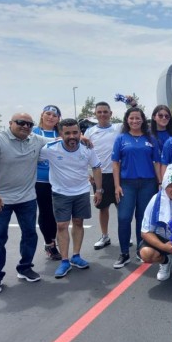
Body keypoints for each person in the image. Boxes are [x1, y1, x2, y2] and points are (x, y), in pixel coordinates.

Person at [0, 113, 49, 295]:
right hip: (0, 199)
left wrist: (81, 137)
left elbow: (58, 139)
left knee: (30, 234)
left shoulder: (35, 139)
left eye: (29, 124)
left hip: (27, 198)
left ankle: (25, 268)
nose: (25, 126)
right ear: (10, 123)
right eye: (21, 123)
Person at [39, 118, 102, 278]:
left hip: (81, 192)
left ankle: (76, 256)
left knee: (78, 222)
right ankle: (64, 261)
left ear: (80, 133)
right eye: (67, 133)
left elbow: (96, 167)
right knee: (61, 225)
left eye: (75, 132)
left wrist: (99, 190)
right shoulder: (50, 149)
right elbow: (32, 157)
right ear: (60, 134)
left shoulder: (87, 148)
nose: (72, 136)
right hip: (60, 193)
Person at [112, 107, 160, 269]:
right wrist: (117, 185)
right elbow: (115, 163)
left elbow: (157, 162)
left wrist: (160, 183)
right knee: (124, 217)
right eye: (131, 118)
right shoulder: (121, 139)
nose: (135, 121)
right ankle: (124, 253)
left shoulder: (150, 138)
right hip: (127, 184)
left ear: (143, 120)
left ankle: (141, 250)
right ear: (127, 120)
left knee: (142, 218)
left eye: (138, 118)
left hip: (148, 183)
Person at [84, 102, 122, 251]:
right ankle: (105, 236)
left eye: (105, 112)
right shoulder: (90, 132)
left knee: (122, 207)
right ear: (95, 114)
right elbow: (85, 154)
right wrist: (88, 173)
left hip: (118, 174)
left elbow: (134, 116)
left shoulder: (118, 128)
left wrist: (131, 102)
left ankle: (124, 235)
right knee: (103, 208)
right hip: (99, 175)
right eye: (99, 112)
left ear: (111, 113)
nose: (102, 114)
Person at [33, 105, 62, 261]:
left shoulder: (61, 133)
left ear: (58, 119)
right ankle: (49, 244)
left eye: (54, 115)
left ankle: (54, 238)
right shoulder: (34, 133)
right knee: (46, 212)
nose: (51, 117)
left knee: (58, 213)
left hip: (59, 180)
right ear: (42, 115)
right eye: (48, 114)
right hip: (41, 180)